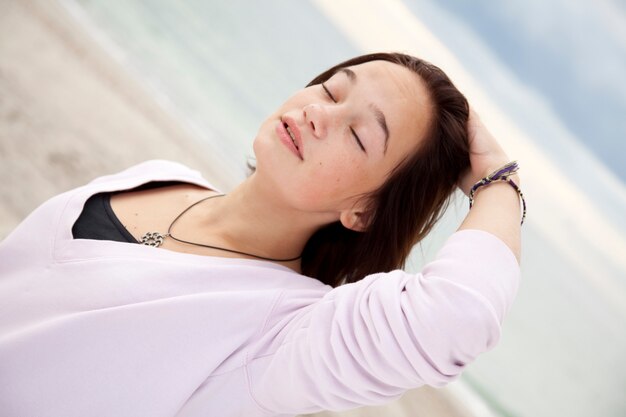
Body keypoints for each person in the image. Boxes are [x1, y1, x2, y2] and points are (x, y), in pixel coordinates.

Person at [0, 52, 522, 416]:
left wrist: (500, 180)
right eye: (332, 89)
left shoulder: (280, 335)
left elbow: (458, 315)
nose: (319, 114)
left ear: (365, 211)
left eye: (360, 135)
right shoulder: (157, 176)